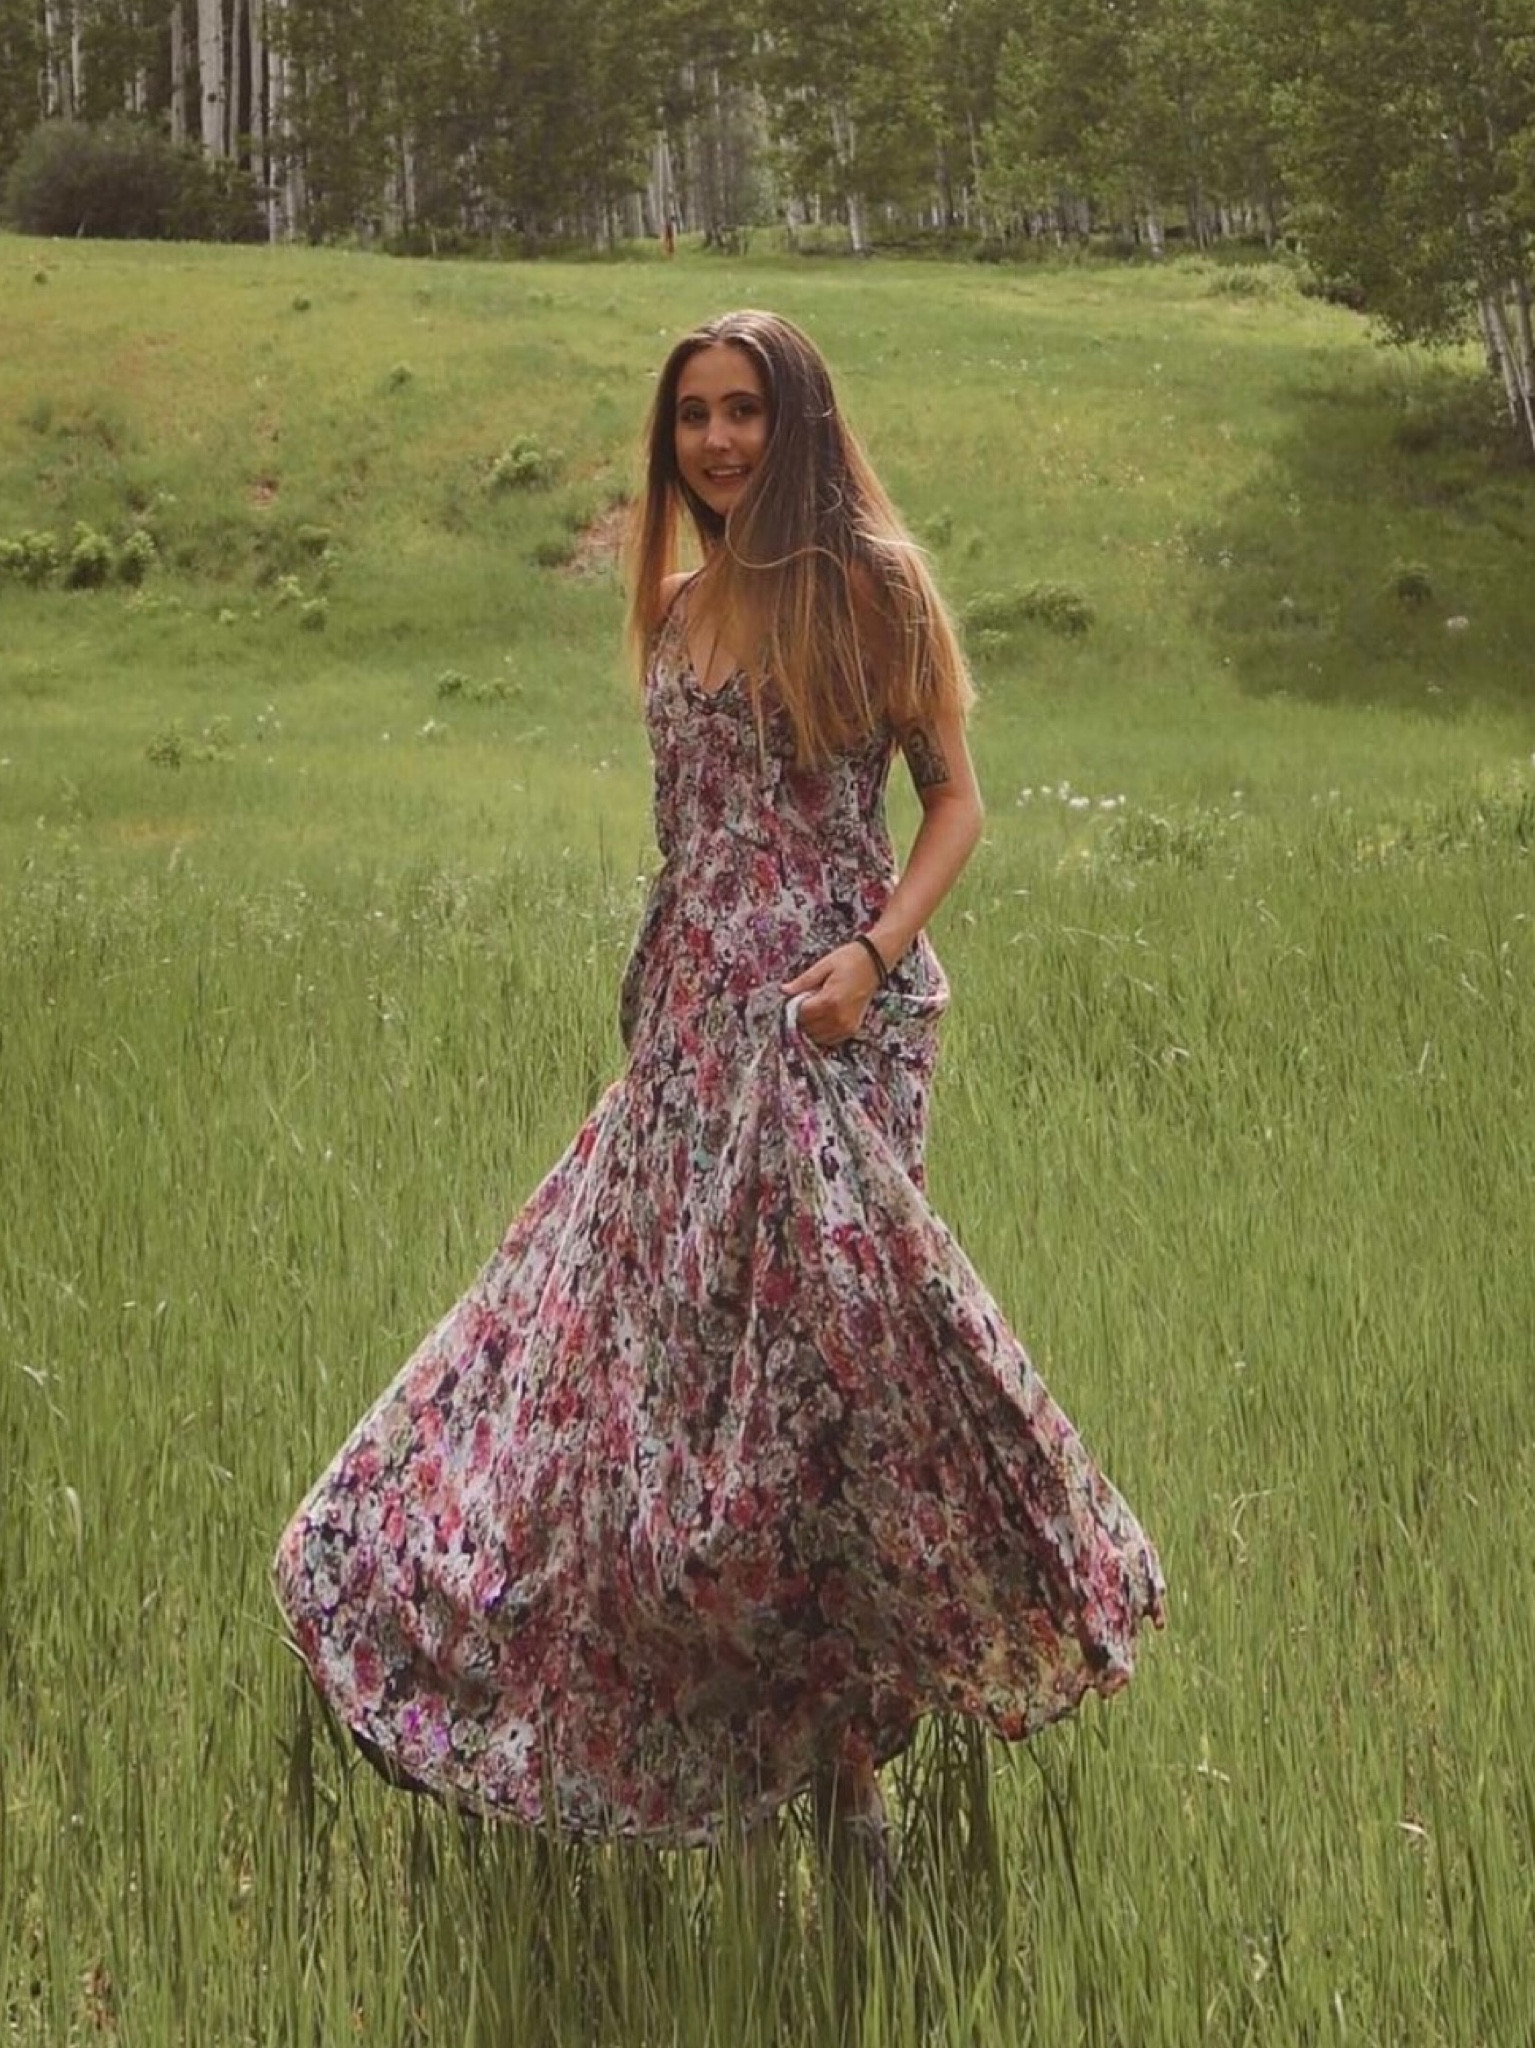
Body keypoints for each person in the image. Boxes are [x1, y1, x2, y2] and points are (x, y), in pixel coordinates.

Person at [272, 309, 1164, 1863]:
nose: (719, 441)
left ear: (797, 420)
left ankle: (846, 1784)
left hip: (828, 1038)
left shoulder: (871, 591)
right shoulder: (679, 613)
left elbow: (955, 807)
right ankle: (743, 1760)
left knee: (821, 1410)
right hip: (685, 1047)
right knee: (653, 1404)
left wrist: (872, 960)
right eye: (694, 416)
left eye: (746, 410)